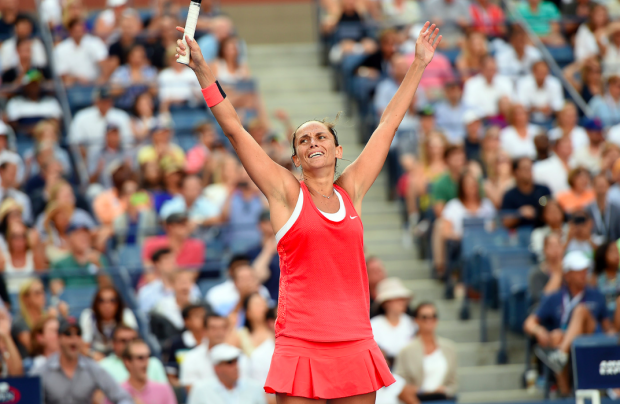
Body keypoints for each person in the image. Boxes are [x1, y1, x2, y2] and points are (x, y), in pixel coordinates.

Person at [176, 20, 444, 403]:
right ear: (297, 157)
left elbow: (387, 124)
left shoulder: (351, 188)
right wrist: (203, 69)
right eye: (304, 139)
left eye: (322, 136)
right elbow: (235, 129)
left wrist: (418, 63)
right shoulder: (285, 192)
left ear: (337, 151)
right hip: (300, 341)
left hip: (354, 339)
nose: (313, 142)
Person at [523, 251, 612, 394]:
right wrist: (539, 330)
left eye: (585, 271)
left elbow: (608, 328)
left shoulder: (596, 295)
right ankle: (565, 394)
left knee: (581, 311)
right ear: (567, 275)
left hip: (593, 342)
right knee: (557, 336)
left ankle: (559, 356)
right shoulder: (554, 298)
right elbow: (529, 322)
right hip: (569, 344)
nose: (583, 275)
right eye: (578, 271)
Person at [32, 321, 133, 404]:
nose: (74, 340)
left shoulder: (92, 368)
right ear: (59, 338)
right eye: (68, 334)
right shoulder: (44, 370)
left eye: (78, 334)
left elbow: (123, 397)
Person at [394, 302, 458, 401]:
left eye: (433, 316)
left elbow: (453, 382)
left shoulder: (449, 348)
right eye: (424, 317)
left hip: (442, 400)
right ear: (416, 320)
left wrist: (445, 390)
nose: (429, 320)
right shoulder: (406, 350)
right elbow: (400, 383)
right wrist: (421, 391)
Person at [187, 343, 266, 404]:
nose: (235, 366)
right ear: (217, 368)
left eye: (236, 361)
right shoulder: (200, 389)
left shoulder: (254, 387)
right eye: (230, 362)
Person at [227, 293, 275, 386]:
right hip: (249, 383)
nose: (263, 307)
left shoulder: (275, 332)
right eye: (257, 305)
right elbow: (226, 352)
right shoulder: (241, 334)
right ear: (247, 312)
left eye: (264, 304)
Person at [68, 87, 133, 155]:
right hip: (89, 159)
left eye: (108, 100)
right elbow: (74, 143)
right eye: (102, 100)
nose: (105, 103)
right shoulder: (81, 117)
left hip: (117, 158)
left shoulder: (122, 116)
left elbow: (128, 143)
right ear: (95, 101)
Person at [111, 339, 177, 404]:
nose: (146, 363)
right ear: (127, 361)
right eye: (140, 358)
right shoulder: (116, 393)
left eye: (148, 357)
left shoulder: (164, 389)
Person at [79, 286, 138, 358]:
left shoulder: (126, 314)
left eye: (112, 301)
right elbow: (84, 347)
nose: (107, 305)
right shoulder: (88, 316)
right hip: (96, 354)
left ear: (118, 303)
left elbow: (134, 343)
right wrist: (93, 354)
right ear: (96, 303)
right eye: (101, 301)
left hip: (121, 354)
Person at [100, 324, 168, 384]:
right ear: (114, 344)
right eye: (123, 341)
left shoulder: (153, 363)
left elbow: (164, 393)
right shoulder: (103, 366)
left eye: (133, 339)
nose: (129, 344)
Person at [50, 222, 109, 288]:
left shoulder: (100, 259)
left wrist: (98, 266)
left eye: (86, 234)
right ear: (70, 238)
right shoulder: (60, 264)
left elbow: (108, 289)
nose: (83, 237)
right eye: (78, 234)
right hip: (71, 297)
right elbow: (57, 290)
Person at [370, 278, 416, 361]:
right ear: (385, 303)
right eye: (397, 299)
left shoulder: (412, 324)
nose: (402, 302)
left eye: (403, 299)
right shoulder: (373, 325)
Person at [53, 18, 109, 86]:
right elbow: (63, 75)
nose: (79, 33)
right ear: (70, 31)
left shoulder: (95, 43)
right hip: (72, 87)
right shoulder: (60, 49)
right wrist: (76, 79)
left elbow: (104, 63)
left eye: (81, 30)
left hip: (94, 85)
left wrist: (102, 80)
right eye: (76, 31)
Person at [180, 313, 230, 387]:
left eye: (223, 328)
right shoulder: (191, 358)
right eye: (214, 328)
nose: (219, 332)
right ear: (204, 331)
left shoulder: (239, 356)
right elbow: (192, 392)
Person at [501, 157, 551, 229]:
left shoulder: (543, 190)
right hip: (519, 233)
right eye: (525, 168)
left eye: (530, 168)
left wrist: (538, 213)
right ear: (516, 172)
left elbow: (551, 209)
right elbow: (505, 222)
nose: (529, 171)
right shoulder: (509, 196)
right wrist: (519, 214)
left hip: (543, 230)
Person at [162, 304, 206, 381]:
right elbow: (171, 374)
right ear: (186, 321)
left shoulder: (213, 341)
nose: (203, 319)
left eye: (204, 316)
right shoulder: (176, 344)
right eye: (197, 316)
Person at [246, 210, 280, 301]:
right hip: (263, 301)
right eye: (268, 222)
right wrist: (268, 251)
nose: (272, 225)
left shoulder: (288, 250)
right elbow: (256, 277)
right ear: (260, 225)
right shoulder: (252, 252)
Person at [529, 233, 565, 309]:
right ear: (545, 249)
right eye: (552, 246)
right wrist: (558, 273)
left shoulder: (570, 271)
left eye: (558, 245)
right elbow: (543, 300)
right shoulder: (536, 274)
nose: (556, 249)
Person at [585, 173, 620, 244]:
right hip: (594, 244)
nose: (601, 188)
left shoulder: (615, 209)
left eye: (603, 185)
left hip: (613, 243)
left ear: (608, 186)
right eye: (599, 185)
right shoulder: (588, 209)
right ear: (593, 187)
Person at [593, 242, 620, 317]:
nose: (616, 255)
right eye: (612, 251)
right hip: (602, 318)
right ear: (603, 254)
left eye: (617, 251)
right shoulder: (595, 279)